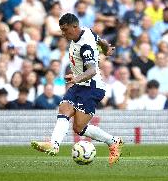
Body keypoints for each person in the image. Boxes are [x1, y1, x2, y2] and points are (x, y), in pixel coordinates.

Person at [31, 13, 123, 167]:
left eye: (65, 30)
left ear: (75, 27)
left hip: (92, 87)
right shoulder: (86, 31)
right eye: (61, 30)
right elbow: (98, 39)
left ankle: (114, 142)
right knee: (64, 107)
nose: (63, 34)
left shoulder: (84, 47)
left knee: (79, 128)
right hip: (81, 84)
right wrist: (106, 47)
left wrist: (76, 78)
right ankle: (54, 144)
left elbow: (92, 70)